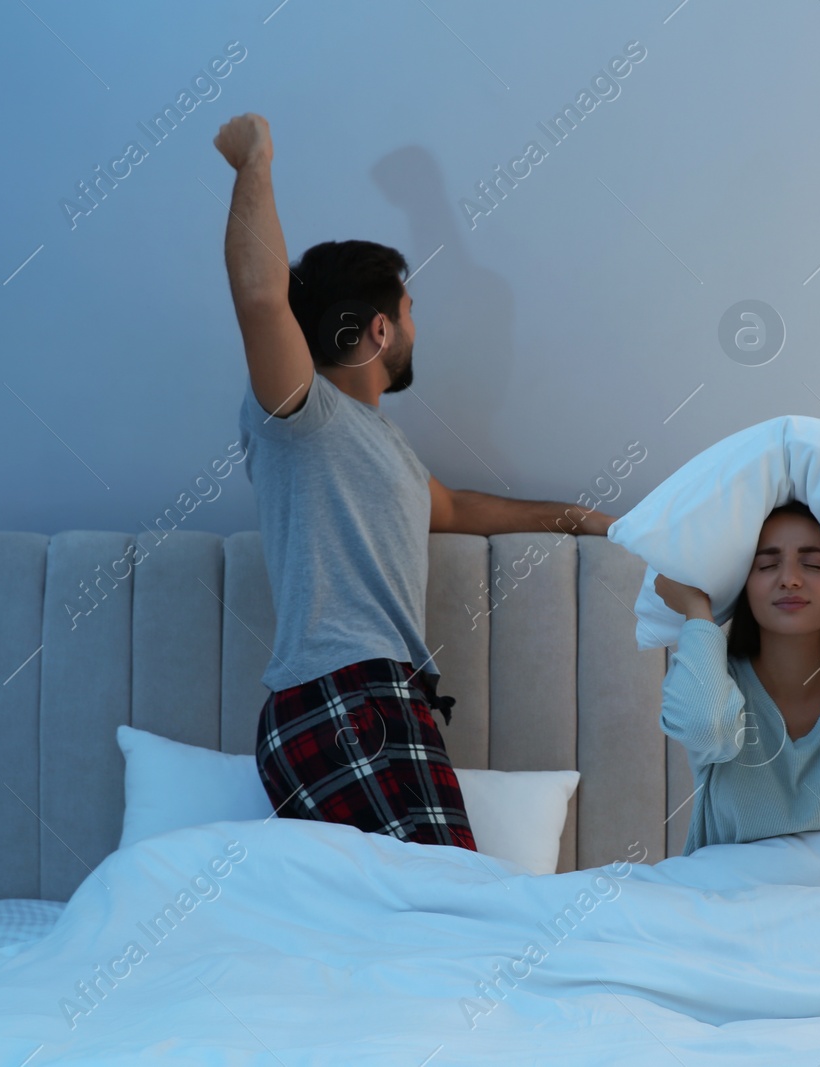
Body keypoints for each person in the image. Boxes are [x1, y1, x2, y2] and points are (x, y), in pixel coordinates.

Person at [213, 112, 616, 850]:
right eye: (410, 311)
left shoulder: (384, 446)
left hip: (381, 700)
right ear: (377, 331)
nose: (419, 329)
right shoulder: (303, 415)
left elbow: (458, 506)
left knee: (404, 921)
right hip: (343, 695)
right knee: (444, 902)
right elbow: (263, 301)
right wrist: (255, 162)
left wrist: (580, 518)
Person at [652, 499, 820, 855]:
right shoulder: (714, 682)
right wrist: (696, 608)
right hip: (732, 897)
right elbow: (705, 727)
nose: (790, 580)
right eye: (767, 565)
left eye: (813, 564)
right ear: (743, 585)